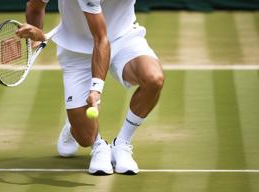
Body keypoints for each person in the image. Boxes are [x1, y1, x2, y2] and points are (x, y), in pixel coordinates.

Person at [16, 0, 164, 175]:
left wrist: (95, 89)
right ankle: (94, 141)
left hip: (124, 38)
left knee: (154, 79)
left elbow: (103, 40)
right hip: (77, 50)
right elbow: (35, 6)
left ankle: (122, 143)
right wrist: (34, 38)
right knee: (85, 137)